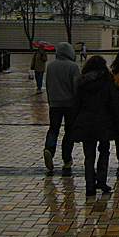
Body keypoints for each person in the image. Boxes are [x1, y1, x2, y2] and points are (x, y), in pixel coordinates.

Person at [71, 55, 119, 197]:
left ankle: (89, 185)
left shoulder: (83, 83)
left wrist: (72, 124)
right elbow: (114, 101)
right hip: (104, 120)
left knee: (89, 155)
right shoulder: (107, 79)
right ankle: (101, 178)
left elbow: (76, 105)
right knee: (104, 150)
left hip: (86, 121)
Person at [44, 42, 81, 174]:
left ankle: (49, 149)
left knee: (53, 129)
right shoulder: (73, 66)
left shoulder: (51, 66)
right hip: (70, 104)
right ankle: (66, 159)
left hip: (54, 103)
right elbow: (76, 86)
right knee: (69, 132)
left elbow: (48, 84)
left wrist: (50, 100)